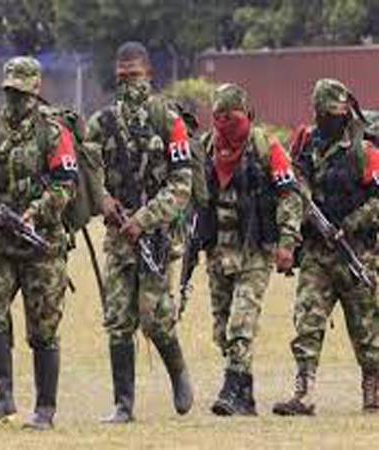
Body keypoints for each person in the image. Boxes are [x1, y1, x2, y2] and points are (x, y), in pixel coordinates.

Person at [0, 56, 78, 430]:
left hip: (42, 244)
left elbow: (65, 186)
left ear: (36, 91)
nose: (15, 100)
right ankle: (3, 399)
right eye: (10, 92)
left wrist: (35, 212)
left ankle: (45, 409)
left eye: (22, 93)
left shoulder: (53, 133)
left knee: (43, 328)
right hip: (1, 242)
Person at [84, 41, 194, 423]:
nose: (129, 83)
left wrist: (144, 219)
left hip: (156, 236)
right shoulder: (101, 123)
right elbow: (87, 173)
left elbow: (181, 185)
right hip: (118, 235)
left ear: (149, 74)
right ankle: (123, 405)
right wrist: (103, 200)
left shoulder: (169, 120)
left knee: (154, 317)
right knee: (117, 319)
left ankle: (178, 372)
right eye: (122, 77)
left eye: (135, 75)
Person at [273, 79, 379, 416]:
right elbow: (293, 191)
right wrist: (290, 239)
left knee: (367, 328)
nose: (329, 120)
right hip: (317, 254)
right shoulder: (306, 144)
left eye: (334, 114)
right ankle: (303, 392)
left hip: (356, 253)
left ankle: (374, 389)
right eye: (323, 113)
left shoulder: (364, 150)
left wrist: (351, 223)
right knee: (307, 322)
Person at [197, 83, 302, 415]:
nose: (225, 123)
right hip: (218, 251)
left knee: (240, 323)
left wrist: (287, 243)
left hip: (254, 249)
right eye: (218, 116)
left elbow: (290, 197)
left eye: (231, 116)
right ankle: (245, 394)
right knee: (222, 330)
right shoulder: (207, 148)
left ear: (247, 115)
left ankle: (231, 390)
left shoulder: (266, 147)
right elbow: (194, 197)